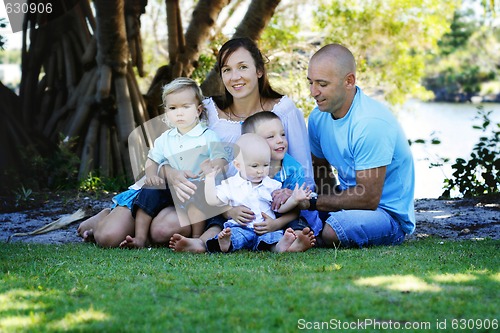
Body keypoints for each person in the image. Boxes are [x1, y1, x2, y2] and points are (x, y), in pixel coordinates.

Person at [78, 37, 314, 249]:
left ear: (259, 71)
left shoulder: (282, 110)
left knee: (164, 231)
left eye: (243, 67)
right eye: (227, 70)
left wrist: (288, 197)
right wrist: (168, 171)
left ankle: (137, 225)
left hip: (215, 202)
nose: (235, 77)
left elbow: (302, 171)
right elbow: (170, 148)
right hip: (175, 188)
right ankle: (109, 213)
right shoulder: (208, 109)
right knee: (108, 237)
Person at [306, 43, 415, 248]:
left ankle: (313, 234)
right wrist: (313, 203)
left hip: (385, 213)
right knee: (288, 210)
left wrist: (313, 202)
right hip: (348, 203)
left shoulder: (370, 122)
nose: (313, 92)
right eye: (310, 82)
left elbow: (367, 198)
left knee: (334, 229)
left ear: (349, 81)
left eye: (322, 84)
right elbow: (320, 170)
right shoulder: (317, 118)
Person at [119, 77, 228, 249]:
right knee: (149, 191)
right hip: (172, 189)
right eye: (173, 108)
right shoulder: (165, 138)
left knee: (197, 192)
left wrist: (213, 167)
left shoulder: (208, 136)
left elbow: (221, 158)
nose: (179, 113)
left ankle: (196, 237)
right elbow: (152, 160)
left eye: (186, 107)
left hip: (197, 186)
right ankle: (140, 237)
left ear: (198, 110)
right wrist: (151, 175)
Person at [204, 133, 311, 253]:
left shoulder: (271, 185)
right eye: (254, 166)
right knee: (235, 235)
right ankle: (227, 243)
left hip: (266, 229)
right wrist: (209, 179)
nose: (261, 171)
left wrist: (294, 199)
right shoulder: (230, 184)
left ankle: (281, 246)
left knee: (273, 238)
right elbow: (212, 200)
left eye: (265, 165)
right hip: (240, 227)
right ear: (238, 165)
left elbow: (280, 208)